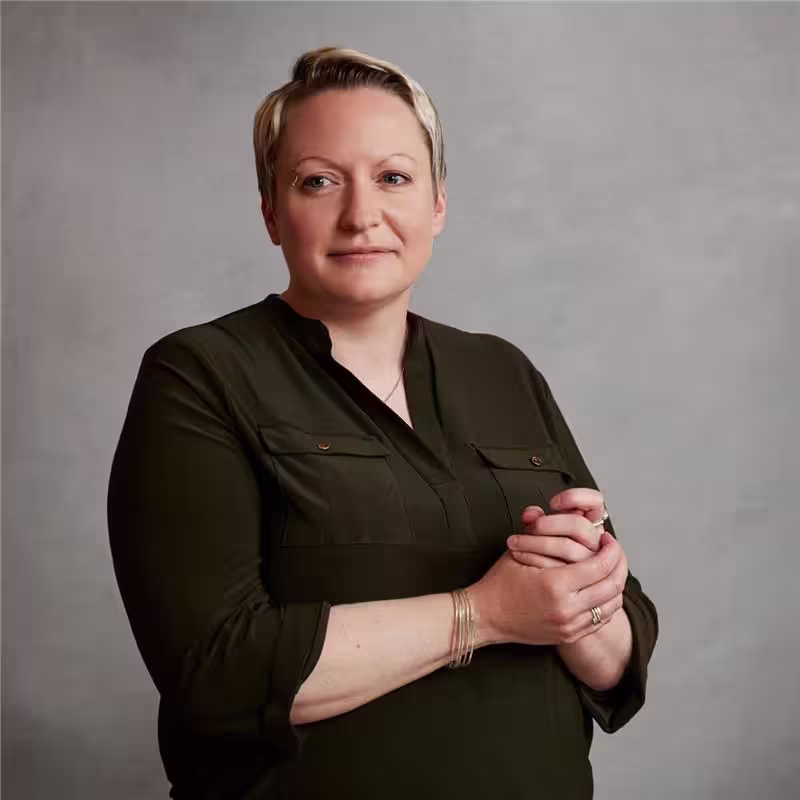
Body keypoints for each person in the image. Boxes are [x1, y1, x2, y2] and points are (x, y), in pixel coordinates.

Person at [107, 46, 658, 800]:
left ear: (438, 204)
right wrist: (483, 614)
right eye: (318, 181)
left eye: (393, 177)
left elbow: (619, 656)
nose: (361, 215)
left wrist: (583, 590)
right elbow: (216, 671)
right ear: (271, 213)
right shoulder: (201, 375)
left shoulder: (503, 371)